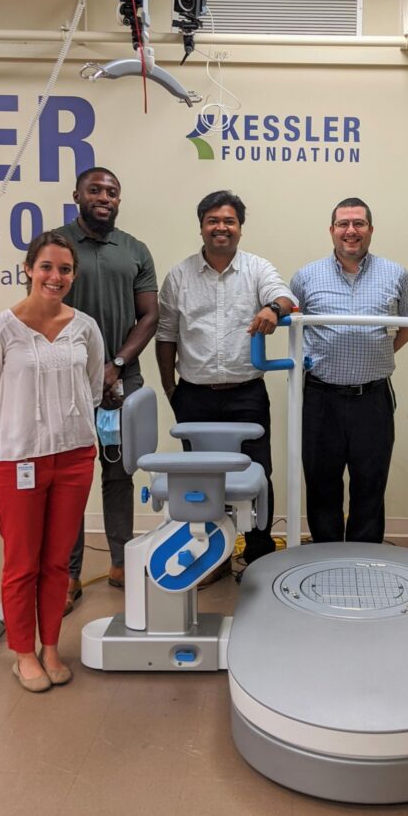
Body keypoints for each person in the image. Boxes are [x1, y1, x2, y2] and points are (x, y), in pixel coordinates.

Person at [0, 232, 104, 691]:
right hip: (19, 462)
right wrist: (24, 434)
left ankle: (50, 647)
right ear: (28, 269)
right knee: (22, 562)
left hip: (75, 458)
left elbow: (92, 387)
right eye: (46, 266)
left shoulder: (85, 327)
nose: (55, 276)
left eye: (65, 269)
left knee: (58, 562)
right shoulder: (0, 330)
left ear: (73, 276)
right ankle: (22, 653)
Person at [155, 190, 296, 565]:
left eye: (229, 221)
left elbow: (284, 296)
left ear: (240, 228)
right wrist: (171, 389)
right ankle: (209, 556)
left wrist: (272, 308)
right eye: (213, 221)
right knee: (200, 480)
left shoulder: (257, 268)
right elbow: (166, 334)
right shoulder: (179, 275)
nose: (221, 227)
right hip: (194, 396)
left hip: (246, 395)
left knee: (258, 474)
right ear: (201, 227)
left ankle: (259, 554)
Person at [57, 167, 158, 614]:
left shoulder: (135, 249)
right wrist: (81, 369)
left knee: (119, 472)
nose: (104, 197)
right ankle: (68, 574)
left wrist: (115, 366)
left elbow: (149, 315)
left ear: (119, 200)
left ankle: (121, 563)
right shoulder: (56, 245)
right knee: (69, 477)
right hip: (64, 381)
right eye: (94, 190)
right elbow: (44, 308)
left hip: (121, 380)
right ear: (76, 195)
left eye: (112, 192)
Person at [290, 197, 408, 543]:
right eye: (343, 224)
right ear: (331, 230)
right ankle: (326, 555)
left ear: (370, 229)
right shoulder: (305, 277)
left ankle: (365, 557)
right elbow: (295, 332)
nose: (351, 231)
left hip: (373, 398)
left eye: (358, 223)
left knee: (370, 482)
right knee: (321, 482)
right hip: (320, 397)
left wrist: (375, 356)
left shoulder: (396, 274)